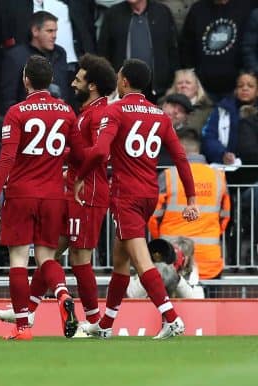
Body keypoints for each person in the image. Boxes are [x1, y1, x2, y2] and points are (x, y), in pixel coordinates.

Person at [74, 58, 199, 339]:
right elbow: (180, 157)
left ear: (124, 81)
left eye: (119, 76)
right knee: (121, 261)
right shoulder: (159, 115)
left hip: (126, 195)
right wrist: (191, 197)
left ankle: (171, 318)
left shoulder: (116, 111)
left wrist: (81, 176)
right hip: (148, 194)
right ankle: (105, 325)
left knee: (141, 262)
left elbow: (99, 150)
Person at [0, 53, 117, 331]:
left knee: (22, 259)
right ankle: (58, 296)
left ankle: (27, 324)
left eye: (79, 78)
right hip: (54, 196)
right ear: (50, 80)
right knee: (49, 255)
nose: (74, 81)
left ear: (26, 80)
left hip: (30, 193)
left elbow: (7, 157)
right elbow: (79, 154)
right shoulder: (67, 112)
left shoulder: (16, 112)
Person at [149, 129, 230, 280]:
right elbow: (225, 217)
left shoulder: (168, 175)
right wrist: (209, 233)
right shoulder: (219, 177)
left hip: (173, 259)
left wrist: (162, 242)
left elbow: (152, 217)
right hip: (209, 262)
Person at [98, 0, 179, 101]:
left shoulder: (162, 12)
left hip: (158, 91)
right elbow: (104, 52)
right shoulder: (113, 14)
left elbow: (173, 50)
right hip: (123, 89)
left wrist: (172, 83)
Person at [0, 11, 71, 115]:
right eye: (49, 31)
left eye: (55, 31)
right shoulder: (16, 56)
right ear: (35, 31)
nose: (54, 36)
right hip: (27, 120)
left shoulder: (60, 53)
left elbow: (65, 88)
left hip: (59, 119)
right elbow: (7, 98)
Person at [201, 71, 258, 166]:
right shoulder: (222, 109)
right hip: (227, 167)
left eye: (250, 86)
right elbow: (209, 137)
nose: (245, 88)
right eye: (240, 86)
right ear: (236, 90)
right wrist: (222, 154)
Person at [163, 69, 213, 136]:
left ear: (197, 87)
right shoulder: (163, 103)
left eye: (188, 83)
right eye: (179, 83)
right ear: (175, 87)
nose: (183, 86)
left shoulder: (208, 108)